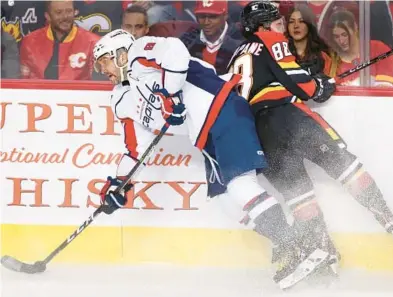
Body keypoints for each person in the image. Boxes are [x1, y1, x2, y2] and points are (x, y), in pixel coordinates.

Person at [93, 29, 312, 289]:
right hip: (205, 135)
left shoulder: (139, 52)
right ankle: (287, 243)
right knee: (223, 200)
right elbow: (135, 148)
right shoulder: (121, 98)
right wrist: (120, 184)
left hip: (223, 108)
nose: (100, 69)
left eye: (103, 61)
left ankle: (301, 248)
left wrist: (170, 96)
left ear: (119, 54)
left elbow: (175, 51)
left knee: (240, 186)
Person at [227, 0, 393, 282]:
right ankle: (387, 217)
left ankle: (323, 253)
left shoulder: (237, 53)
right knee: (343, 165)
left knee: (299, 194)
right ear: (262, 25)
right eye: (275, 19)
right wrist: (322, 85)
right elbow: (302, 84)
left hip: (260, 132)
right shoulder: (270, 39)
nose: (282, 24)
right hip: (288, 118)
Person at [19, 0, 100, 80]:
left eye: (69, 11)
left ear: (75, 12)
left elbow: (100, 85)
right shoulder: (30, 42)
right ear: (48, 16)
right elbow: (24, 82)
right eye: (58, 12)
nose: (65, 17)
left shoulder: (93, 43)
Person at [328, 10, 393, 87]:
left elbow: (386, 87)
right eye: (336, 36)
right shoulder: (331, 59)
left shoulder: (379, 48)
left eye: (345, 34)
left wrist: (356, 84)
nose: (341, 41)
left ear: (355, 27)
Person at [180, 0, 242, 75]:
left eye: (213, 17)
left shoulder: (242, 41)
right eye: (202, 16)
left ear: (225, 15)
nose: (206, 22)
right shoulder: (187, 40)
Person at [285, 4, 338, 77]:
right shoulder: (281, 54)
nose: (296, 26)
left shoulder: (323, 57)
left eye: (301, 21)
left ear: (309, 24)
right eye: (291, 22)